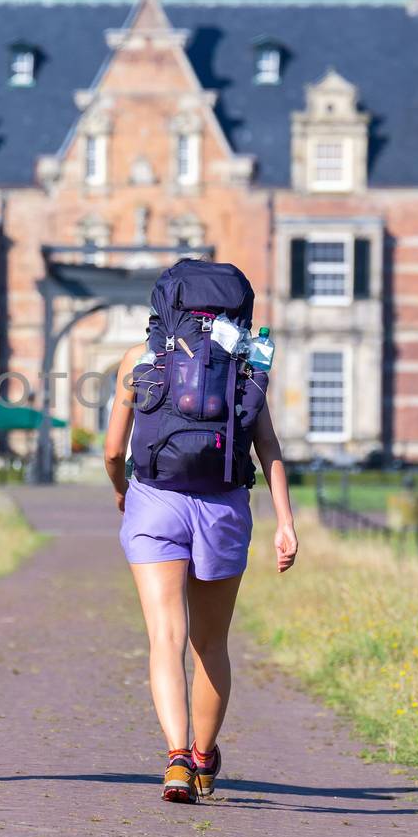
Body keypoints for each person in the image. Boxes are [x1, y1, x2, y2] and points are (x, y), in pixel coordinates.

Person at [102, 305, 298, 804]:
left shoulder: (138, 357)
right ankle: (205, 757)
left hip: (154, 505)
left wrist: (123, 489)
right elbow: (267, 446)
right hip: (223, 508)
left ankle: (176, 760)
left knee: (165, 638)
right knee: (210, 645)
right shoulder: (242, 361)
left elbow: (110, 450)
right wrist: (286, 523)